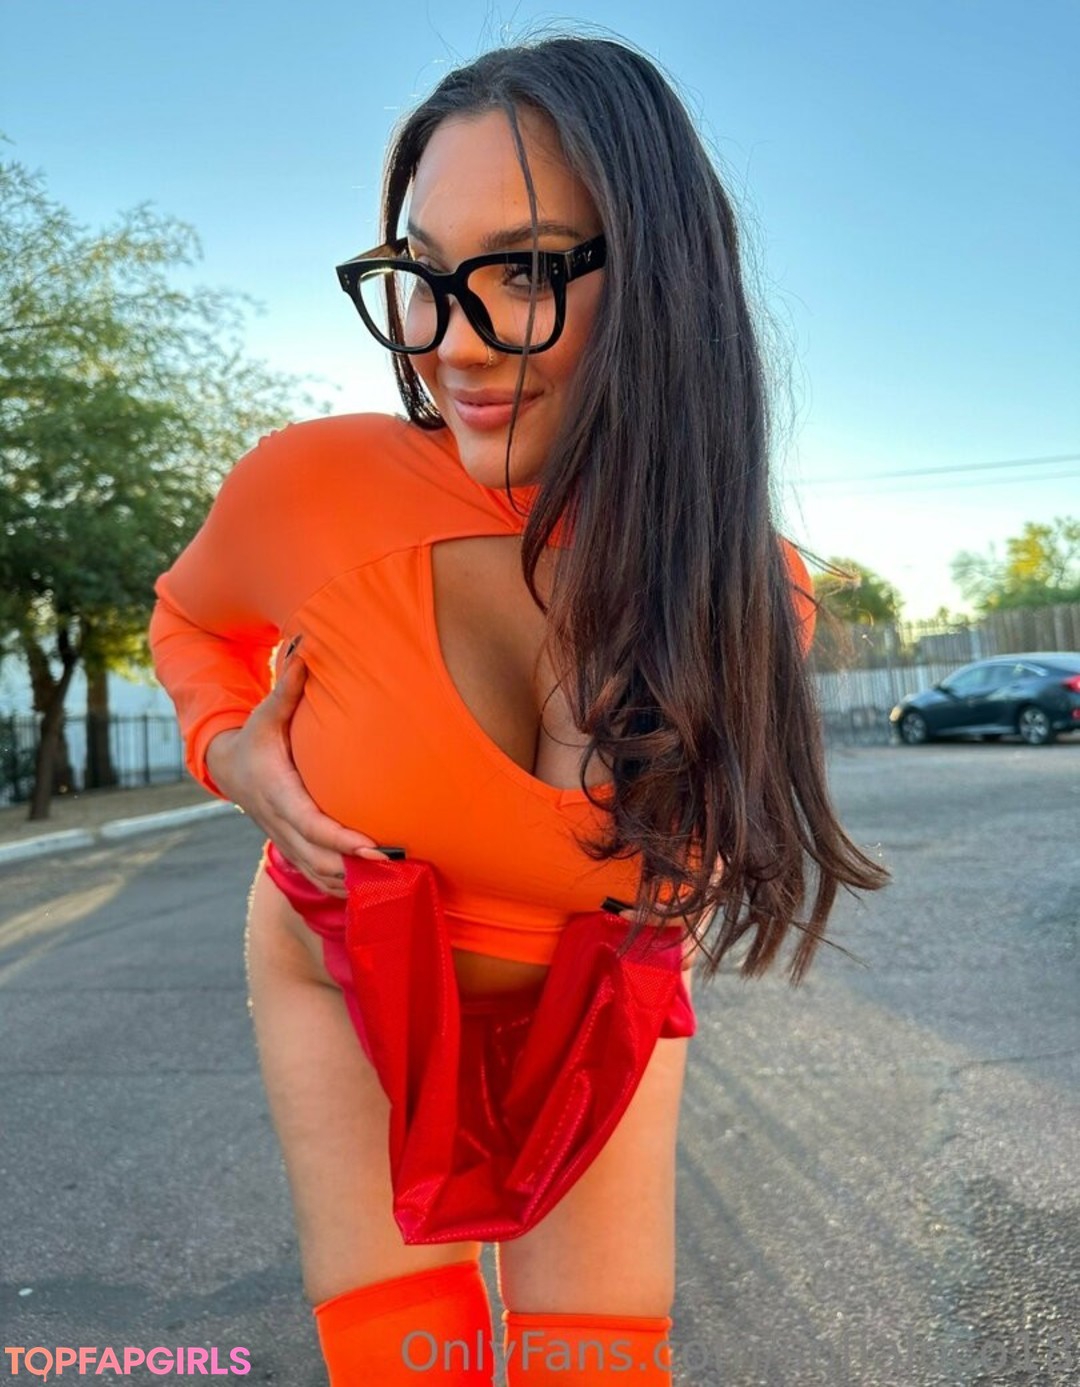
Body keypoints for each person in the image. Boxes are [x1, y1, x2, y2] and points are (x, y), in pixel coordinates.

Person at [149, 33, 887, 1386]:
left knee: (592, 1366)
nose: (451, 343)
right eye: (424, 276)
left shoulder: (748, 593)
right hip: (345, 975)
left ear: (661, 280)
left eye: (529, 271)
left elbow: (640, 843)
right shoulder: (306, 489)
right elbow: (189, 618)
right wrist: (229, 753)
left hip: (594, 1007)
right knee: (405, 1366)